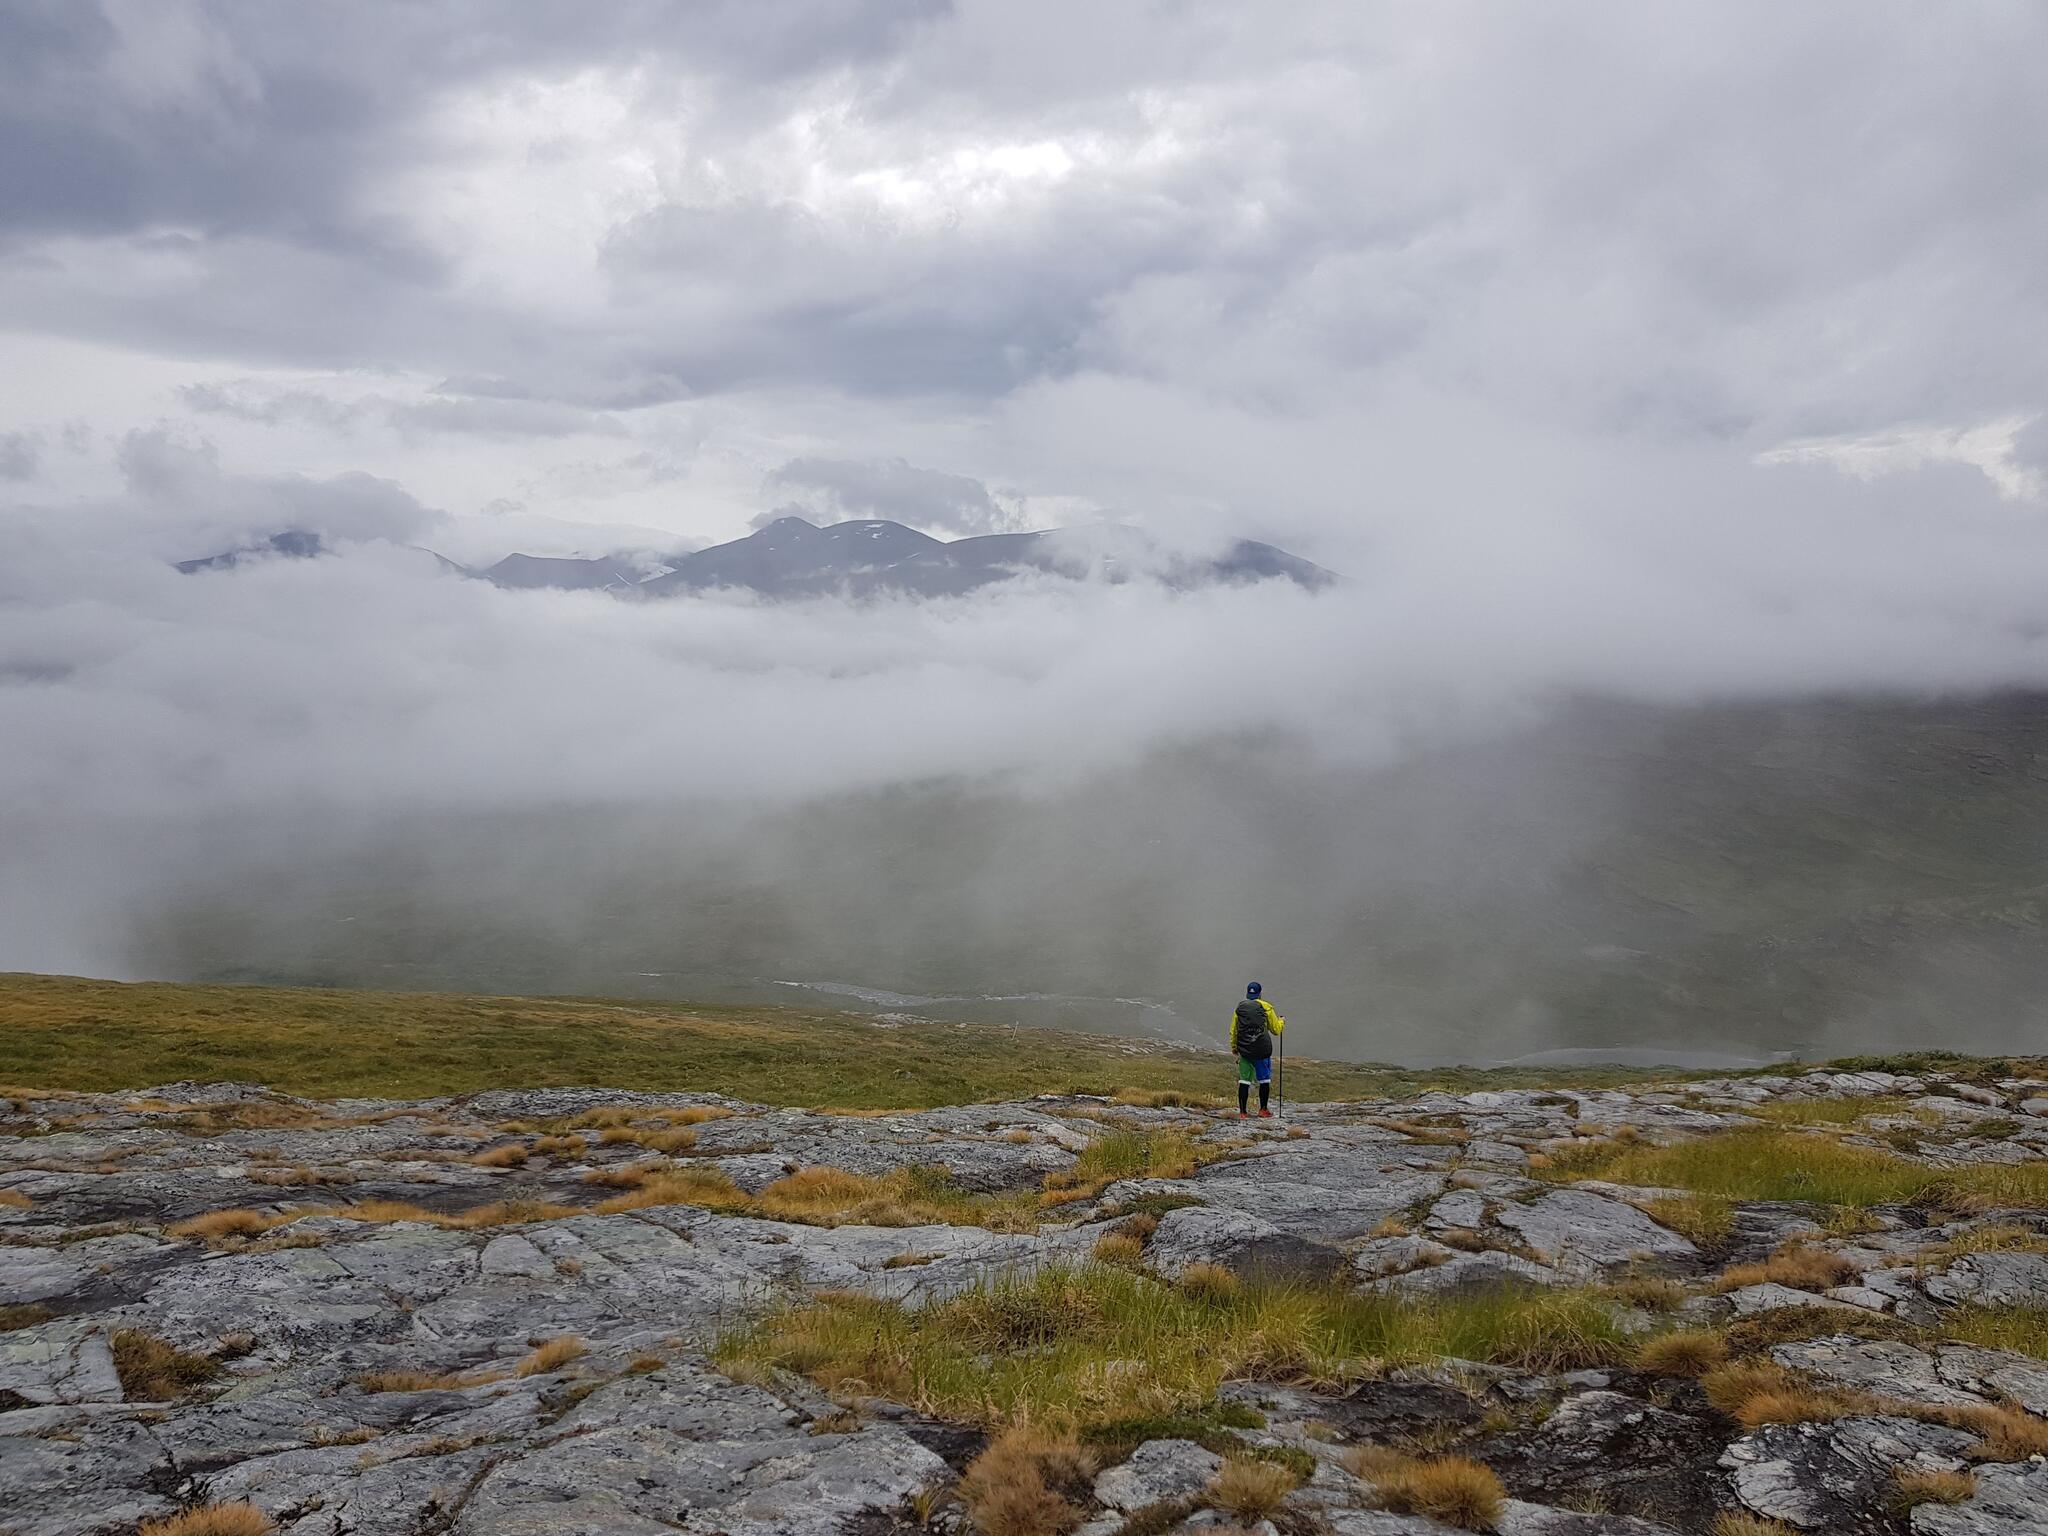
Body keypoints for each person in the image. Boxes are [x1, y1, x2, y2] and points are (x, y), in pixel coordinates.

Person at [1230, 982, 1284, 1118]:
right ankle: (1263, 1110)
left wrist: (1235, 1047)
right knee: (1264, 1080)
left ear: (1248, 993)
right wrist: (1281, 1021)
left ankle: (1242, 1113)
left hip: (1245, 1050)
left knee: (1244, 1080)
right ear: (1260, 993)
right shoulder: (1267, 1008)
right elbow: (1276, 1030)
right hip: (1262, 1050)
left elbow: (1233, 1030)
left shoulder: (1240, 1009)